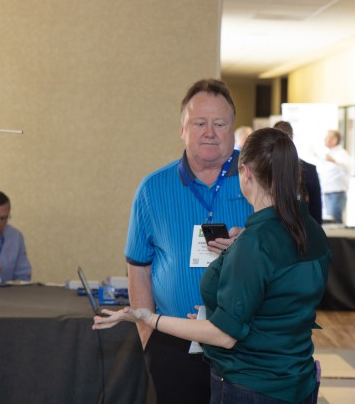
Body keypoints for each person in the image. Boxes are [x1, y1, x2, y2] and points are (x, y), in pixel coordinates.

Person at [96, 127, 330, 403]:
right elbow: (281, 300)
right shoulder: (311, 231)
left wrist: (149, 318)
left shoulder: (255, 243)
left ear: (245, 172)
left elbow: (224, 335)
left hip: (251, 386)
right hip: (299, 380)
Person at [125, 79, 253, 403]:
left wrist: (251, 242)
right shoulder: (152, 189)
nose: (209, 132)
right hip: (173, 345)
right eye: (199, 123)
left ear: (232, 129)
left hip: (245, 344)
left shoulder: (260, 181)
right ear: (182, 129)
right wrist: (148, 336)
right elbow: (138, 266)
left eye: (219, 123)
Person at [273, 120, 323, 225]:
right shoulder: (309, 170)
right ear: (292, 137)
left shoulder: (264, 169)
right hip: (304, 228)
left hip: (274, 228)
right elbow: (316, 210)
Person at [319, 129, 352, 224]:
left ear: (335, 140)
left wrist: (334, 161)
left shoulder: (342, 153)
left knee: (336, 221)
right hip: (327, 192)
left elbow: (347, 167)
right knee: (330, 221)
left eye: (327, 137)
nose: (325, 139)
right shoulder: (329, 154)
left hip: (337, 193)